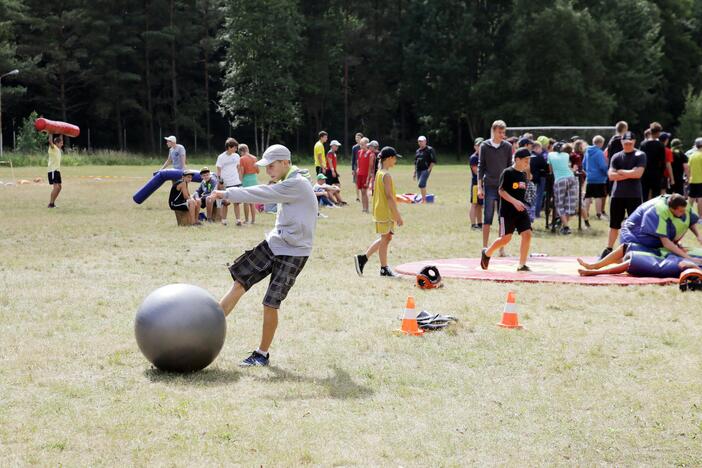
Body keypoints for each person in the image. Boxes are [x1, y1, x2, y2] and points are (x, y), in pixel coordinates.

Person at [208, 144, 318, 367]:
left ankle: (262, 354)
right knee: (240, 282)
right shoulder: (289, 180)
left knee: (270, 302)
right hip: (275, 242)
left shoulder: (296, 183)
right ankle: (206, 329)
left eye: (272, 165)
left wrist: (228, 192)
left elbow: (263, 193)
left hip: (295, 252)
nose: (268, 170)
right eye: (266, 166)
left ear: (285, 162)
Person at [354, 147, 404, 277]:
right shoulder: (385, 175)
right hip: (385, 212)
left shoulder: (379, 172)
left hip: (381, 210)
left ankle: (364, 259)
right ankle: (383, 268)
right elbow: (388, 197)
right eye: (394, 158)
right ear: (389, 159)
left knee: (386, 237)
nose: (396, 160)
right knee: (385, 238)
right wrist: (397, 215)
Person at [480, 149, 533, 272]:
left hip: (520, 211)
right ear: (517, 159)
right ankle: (487, 253)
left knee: (527, 234)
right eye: (526, 160)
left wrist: (522, 203)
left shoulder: (523, 175)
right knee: (506, 239)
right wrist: (514, 202)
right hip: (507, 212)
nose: (527, 163)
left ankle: (522, 265)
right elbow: (501, 191)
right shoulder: (507, 172)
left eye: (529, 160)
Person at [600, 132, 646, 258]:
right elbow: (610, 175)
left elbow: (638, 174)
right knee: (614, 225)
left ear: (634, 142)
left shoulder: (640, 155)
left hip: (634, 195)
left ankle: (635, 250)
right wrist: (629, 173)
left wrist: (620, 172)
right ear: (621, 142)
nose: (627, 146)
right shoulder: (616, 156)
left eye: (630, 143)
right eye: (625, 143)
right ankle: (609, 249)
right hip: (617, 195)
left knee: (635, 225)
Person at [478, 120, 513, 254]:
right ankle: (485, 247)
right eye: (499, 132)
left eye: (503, 132)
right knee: (487, 216)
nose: (502, 135)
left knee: (502, 218)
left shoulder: (508, 146)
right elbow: (481, 167)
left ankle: (500, 248)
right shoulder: (484, 146)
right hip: (489, 185)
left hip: (504, 187)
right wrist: (480, 187)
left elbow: (510, 166)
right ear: (493, 131)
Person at [577, 245, 702, 278]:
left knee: (633, 261)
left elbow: (690, 266)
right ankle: (595, 265)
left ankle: (594, 272)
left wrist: (693, 265)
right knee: (627, 247)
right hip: (670, 256)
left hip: (676, 264)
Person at [548, 142, 578, 234]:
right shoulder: (566, 155)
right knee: (569, 203)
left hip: (560, 180)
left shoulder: (550, 154)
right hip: (571, 178)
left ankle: (566, 226)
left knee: (559, 204)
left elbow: (550, 170)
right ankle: (565, 226)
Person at [216, 138, 244, 226]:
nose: (236, 150)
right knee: (225, 203)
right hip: (226, 183)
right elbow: (218, 171)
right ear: (229, 147)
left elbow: (238, 168)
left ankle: (238, 220)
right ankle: (224, 220)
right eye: (235, 148)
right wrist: (220, 182)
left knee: (237, 202)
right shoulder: (221, 157)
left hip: (236, 182)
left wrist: (240, 180)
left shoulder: (236, 156)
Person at [582, 136, 609, 225]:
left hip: (589, 177)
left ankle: (586, 213)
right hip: (599, 178)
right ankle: (599, 213)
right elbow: (602, 166)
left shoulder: (587, 151)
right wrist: (607, 173)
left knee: (588, 196)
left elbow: (584, 164)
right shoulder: (599, 152)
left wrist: (588, 172)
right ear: (600, 143)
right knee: (598, 196)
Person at [640, 122, 667, 201]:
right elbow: (663, 163)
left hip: (644, 173)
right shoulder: (660, 145)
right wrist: (661, 174)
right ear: (658, 132)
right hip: (656, 174)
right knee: (656, 197)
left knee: (644, 195)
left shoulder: (643, 144)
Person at [239, 144, 260, 224]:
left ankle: (247, 220)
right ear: (247, 149)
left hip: (246, 180)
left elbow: (242, 172)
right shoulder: (254, 158)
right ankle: (253, 220)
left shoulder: (242, 159)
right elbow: (258, 171)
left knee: (246, 201)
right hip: (254, 179)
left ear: (241, 151)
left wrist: (240, 181)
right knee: (252, 201)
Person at [414, 136, 437, 202]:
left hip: (426, 169)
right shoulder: (417, 151)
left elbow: (434, 160)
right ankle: (425, 197)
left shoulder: (430, 149)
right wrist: (414, 172)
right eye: (419, 141)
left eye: (422, 141)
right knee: (421, 185)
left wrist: (429, 169)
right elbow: (416, 162)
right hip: (418, 170)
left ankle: (424, 200)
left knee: (421, 184)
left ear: (425, 142)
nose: (420, 142)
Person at [532, 137, 550, 218]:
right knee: (539, 196)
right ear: (536, 148)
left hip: (529, 179)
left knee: (530, 197)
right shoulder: (539, 157)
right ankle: (536, 214)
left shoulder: (528, 155)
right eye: (540, 148)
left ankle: (530, 213)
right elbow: (546, 167)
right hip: (539, 178)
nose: (541, 150)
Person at [469, 137, 484, 229]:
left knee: (480, 205)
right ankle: (473, 224)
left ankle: (479, 223)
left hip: (482, 185)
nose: (480, 147)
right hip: (476, 185)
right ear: (475, 146)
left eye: (482, 145)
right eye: (479, 145)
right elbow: (476, 171)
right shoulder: (474, 158)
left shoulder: (484, 157)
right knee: (474, 204)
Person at [325, 140, 346, 205]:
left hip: (333, 170)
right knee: (330, 187)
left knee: (337, 186)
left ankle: (339, 200)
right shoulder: (330, 153)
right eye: (336, 146)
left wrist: (335, 172)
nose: (337, 147)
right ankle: (334, 200)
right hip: (329, 171)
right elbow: (330, 163)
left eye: (337, 146)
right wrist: (333, 171)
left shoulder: (334, 153)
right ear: (332, 146)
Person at [356, 137, 372, 213]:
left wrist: (369, 176)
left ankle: (367, 208)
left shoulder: (370, 153)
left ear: (367, 144)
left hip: (366, 175)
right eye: (360, 144)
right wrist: (358, 168)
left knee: (364, 191)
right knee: (362, 192)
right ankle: (363, 208)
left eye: (362, 144)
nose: (361, 146)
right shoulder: (359, 152)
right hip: (360, 174)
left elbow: (370, 166)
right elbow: (358, 162)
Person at [47, 133, 63, 208]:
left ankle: (52, 203)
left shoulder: (58, 149)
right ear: (56, 143)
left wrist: (61, 131)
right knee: (56, 187)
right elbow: (50, 141)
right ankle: (51, 204)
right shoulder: (52, 148)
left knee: (59, 187)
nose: (62, 144)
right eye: (61, 143)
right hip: (52, 170)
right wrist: (50, 132)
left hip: (57, 171)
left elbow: (59, 138)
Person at [688, 137, 702, 215]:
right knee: (700, 198)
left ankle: (686, 215)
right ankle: (700, 217)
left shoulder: (692, 155)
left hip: (692, 180)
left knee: (691, 199)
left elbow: (689, 169)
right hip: (701, 180)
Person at [351, 132, 363, 202]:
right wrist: (352, 169)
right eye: (356, 138)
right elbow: (353, 159)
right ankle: (358, 197)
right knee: (356, 182)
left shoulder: (365, 146)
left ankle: (363, 195)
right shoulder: (354, 147)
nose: (357, 139)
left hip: (363, 166)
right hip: (356, 166)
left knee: (362, 182)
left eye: (358, 137)